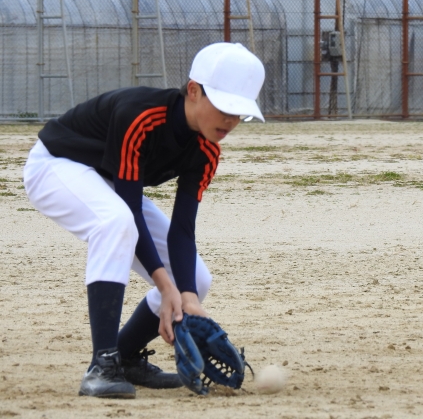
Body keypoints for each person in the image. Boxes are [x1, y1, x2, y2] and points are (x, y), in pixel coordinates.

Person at [23, 42, 265, 399]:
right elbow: (130, 210)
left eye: (240, 112)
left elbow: (183, 229)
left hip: (110, 181)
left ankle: (126, 356)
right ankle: (102, 367)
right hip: (57, 165)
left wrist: (187, 297)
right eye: (225, 106)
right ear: (194, 91)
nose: (231, 120)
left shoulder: (207, 150)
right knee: (116, 221)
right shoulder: (141, 115)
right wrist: (165, 287)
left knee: (196, 280)